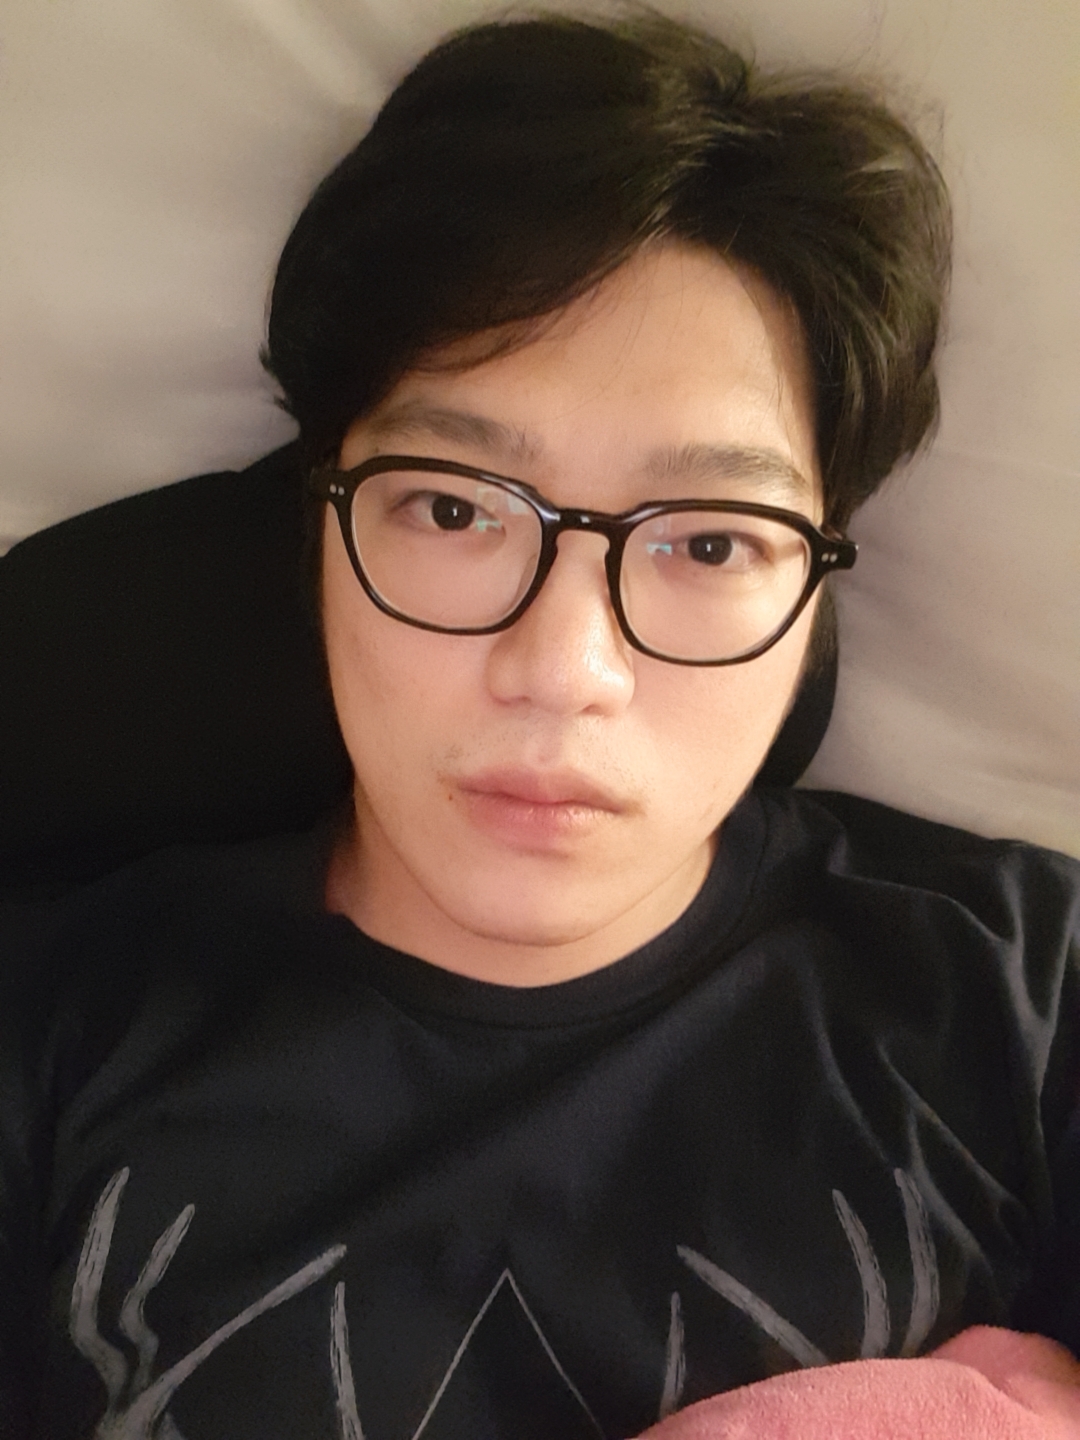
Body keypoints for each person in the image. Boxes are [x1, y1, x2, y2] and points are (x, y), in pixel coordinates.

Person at [1, 10, 1077, 1438]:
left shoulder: (1023, 997)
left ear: (819, 580)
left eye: (709, 542)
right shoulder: (54, 1035)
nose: (563, 669)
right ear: (317, 524)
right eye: (454, 510)